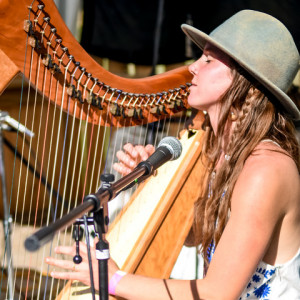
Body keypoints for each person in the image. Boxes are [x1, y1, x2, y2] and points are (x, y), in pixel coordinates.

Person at [45, 10, 300, 299]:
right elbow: (198, 236)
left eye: (207, 60)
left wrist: (113, 279)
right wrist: (153, 180)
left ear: (244, 83)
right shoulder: (222, 150)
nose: (193, 68)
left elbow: (216, 294)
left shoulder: (265, 170)